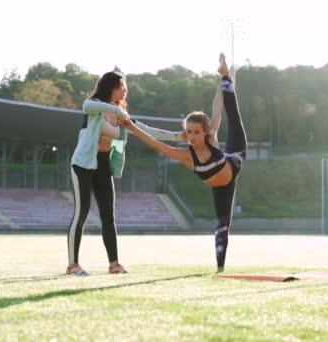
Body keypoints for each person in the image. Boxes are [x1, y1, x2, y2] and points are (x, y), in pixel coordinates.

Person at [121, 53, 247, 273]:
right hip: (221, 186)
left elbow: (217, 109)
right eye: (188, 132)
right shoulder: (187, 155)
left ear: (204, 131)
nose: (192, 136)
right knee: (222, 225)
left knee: (233, 115)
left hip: (234, 158)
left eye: (196, 132)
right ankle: (220, 269)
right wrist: (132, 128)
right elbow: (157, 144)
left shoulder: (211, 136)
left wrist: (223, 82)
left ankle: (225, 74)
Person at [66, 70, 132, 276]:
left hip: (103, 166)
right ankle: (73, 265)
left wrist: (177, 136)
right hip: (83, 164)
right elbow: (87, 105)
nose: (125, 90)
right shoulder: (94, 106)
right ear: (110, 87)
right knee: (82, 212)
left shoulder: (120, 115)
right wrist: (117, 111)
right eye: (121, 86)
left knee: (108, 216)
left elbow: (137, 132)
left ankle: (114, 264)